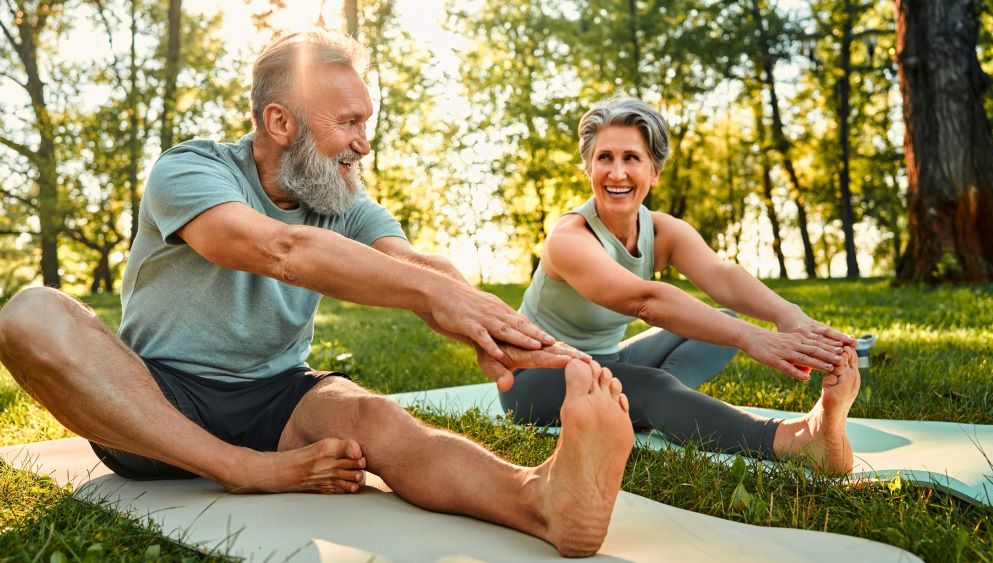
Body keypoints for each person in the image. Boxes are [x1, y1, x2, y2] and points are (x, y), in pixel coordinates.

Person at [0, 33, 636, 557]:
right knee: (29, 313)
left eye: (367, 122)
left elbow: (417, 265)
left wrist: (491, 325)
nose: (364, 141)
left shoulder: (341, 199)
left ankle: (541, 500)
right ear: (280, 122)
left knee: (376, 419)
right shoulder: (191, 170)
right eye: (349, 122)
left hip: (279, 397)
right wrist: (427, 293)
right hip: (154, 401)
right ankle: (240, 468)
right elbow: (282, 251)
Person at [500, 96, 862, 473]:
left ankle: (645, 403)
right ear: (588, 169)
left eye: (631, 158)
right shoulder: (569, 239)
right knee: (656, 384)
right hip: (534, 378)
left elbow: (722, 276)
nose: (617, 173)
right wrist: (752, 337)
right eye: (604, 158)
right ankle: (799, 440)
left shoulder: (660, 230)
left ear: (654, 171)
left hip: (605, 360)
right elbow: (645, 301)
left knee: (716, 323)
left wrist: (789, 316)